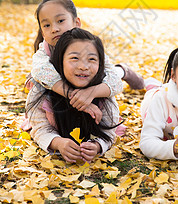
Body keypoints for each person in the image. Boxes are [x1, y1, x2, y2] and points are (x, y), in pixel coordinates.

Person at [27, 28, 120, 163]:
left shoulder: (105, 92)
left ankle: (124, 70)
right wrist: (57, 143)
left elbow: (109, 132)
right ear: (60, 61)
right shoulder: (41, 91)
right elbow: (40, 129)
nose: (83, 66)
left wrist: (98, 145)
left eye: (92, 59)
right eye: (75, 58)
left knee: (119, 73)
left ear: (100, 64)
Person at [140, 43, 178, 161]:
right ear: (173, 75)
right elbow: (147, 142)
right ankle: (150, 84)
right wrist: (173, 147)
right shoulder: (160, 99)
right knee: (154, 91)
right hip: (152, 101)